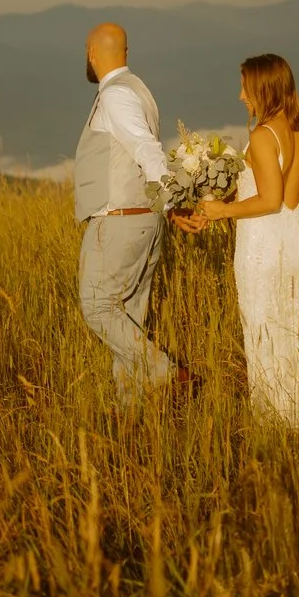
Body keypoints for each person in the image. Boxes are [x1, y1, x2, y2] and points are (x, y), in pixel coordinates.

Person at [186, 53, 299, 428]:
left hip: (262, 246)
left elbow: (269, 200)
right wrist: (226, 196)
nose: (241, 95)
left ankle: (282, 421)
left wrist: (220, 211)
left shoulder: (262, 135)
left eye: (245, 86)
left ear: (262, 87)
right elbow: (290, 199)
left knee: (262, 331)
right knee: (290, 330)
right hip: (295, 240)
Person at [73, 22, 200, 402]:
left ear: (93, 54)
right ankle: (132, 411)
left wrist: (173, 200)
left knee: (97, 308)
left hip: (120, 223)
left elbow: (146, 149)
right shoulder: (139, 90)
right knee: (128, 318)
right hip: (146, 220)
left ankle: (167, 374)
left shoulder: (115, 96)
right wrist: (170, 208)